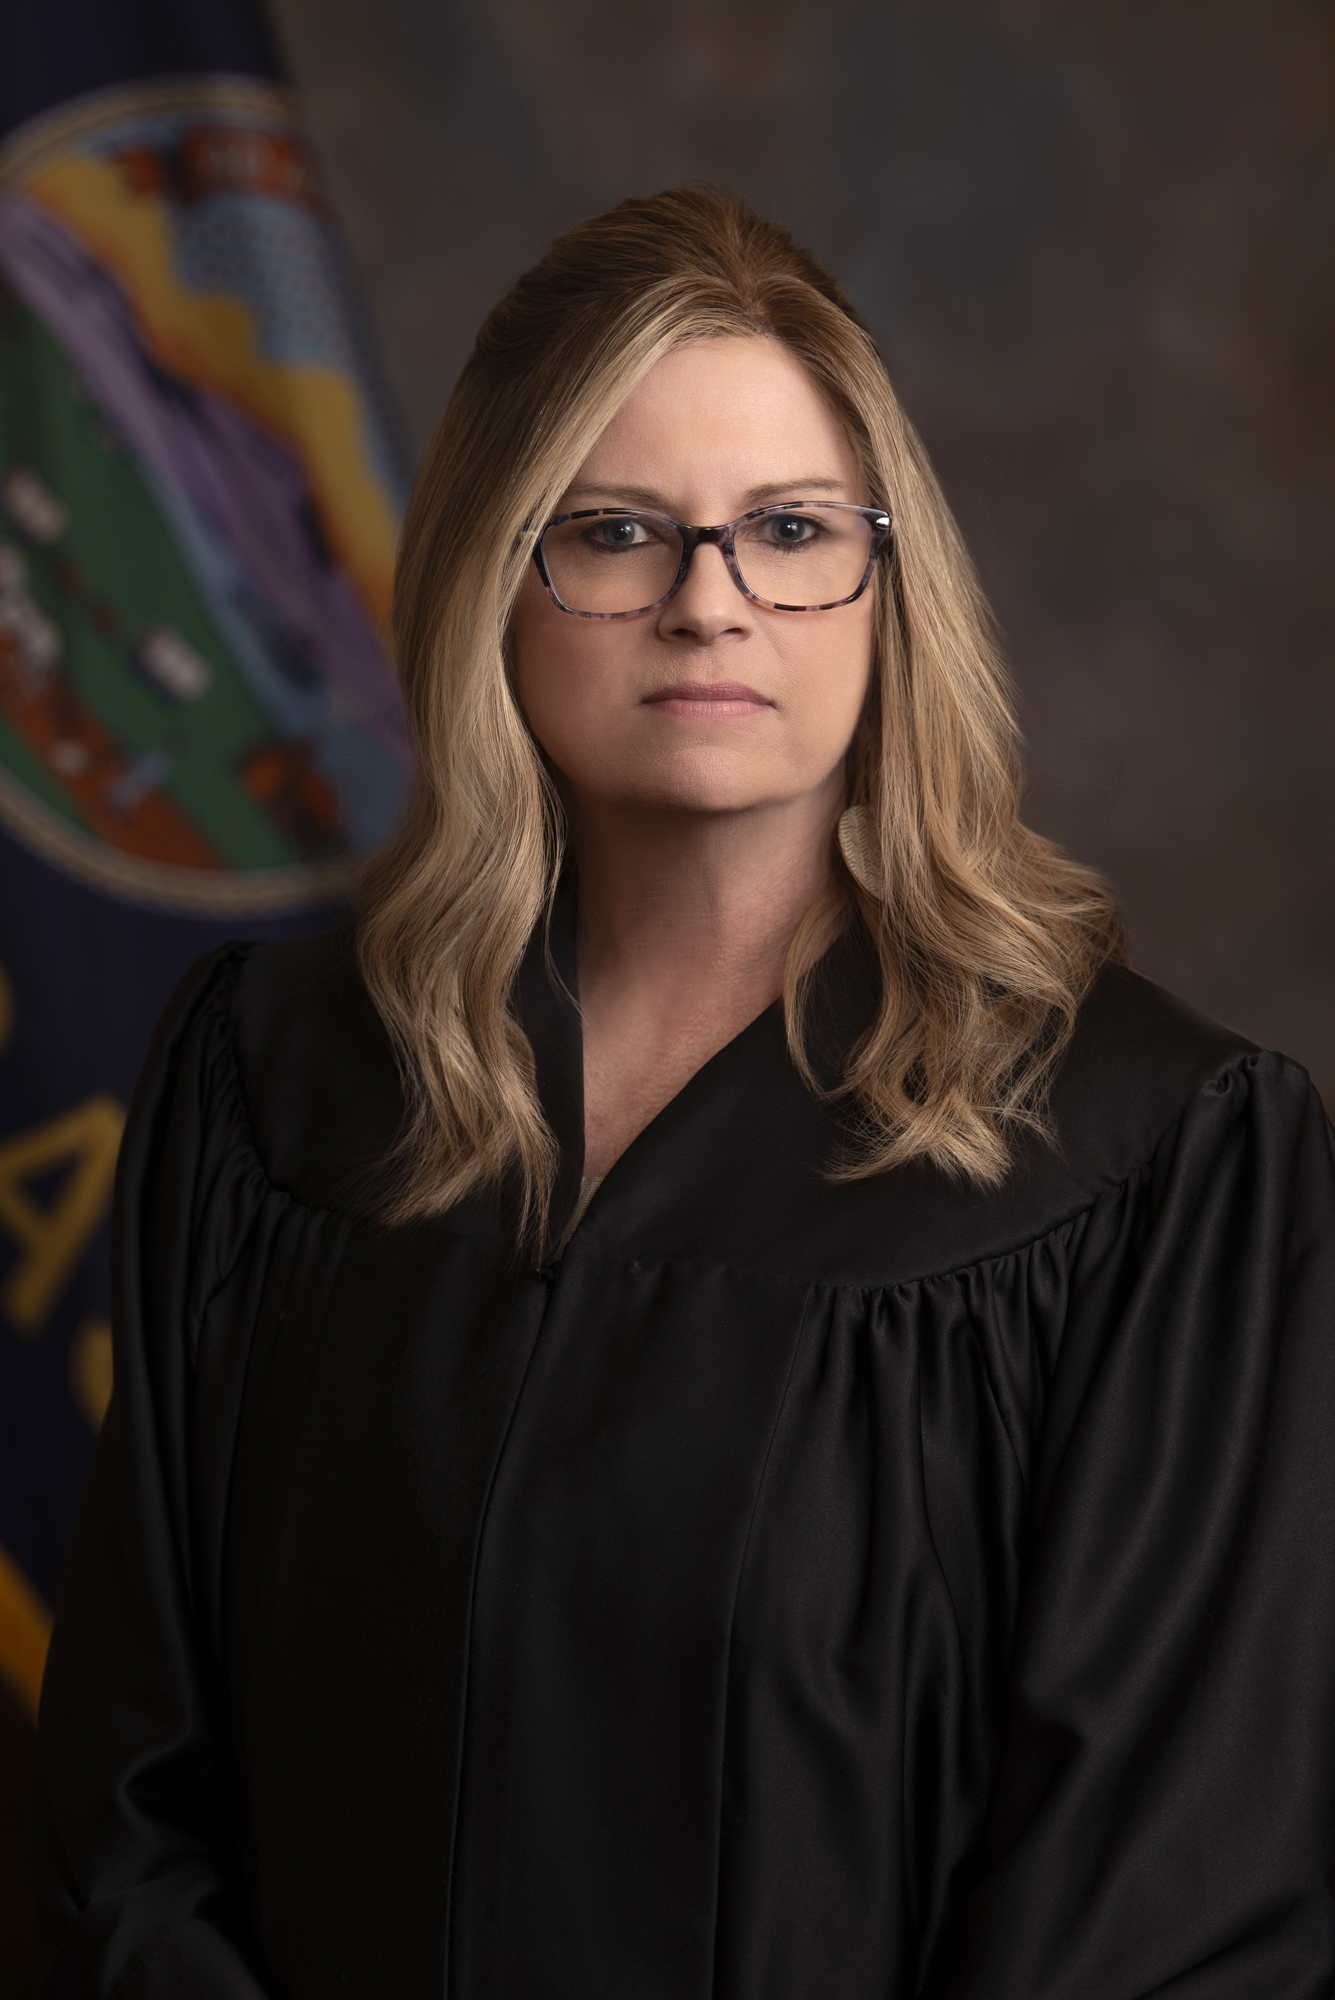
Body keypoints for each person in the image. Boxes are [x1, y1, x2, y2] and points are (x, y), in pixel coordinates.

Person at [33, 186, 1335, 1999]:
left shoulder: (1148, 1165)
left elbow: (1163, 1904)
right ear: (495, 572)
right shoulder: (279, 1084)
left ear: (890, 586)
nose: (711, 604)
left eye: (791, 529)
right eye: (619, 531)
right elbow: (123, 1808)